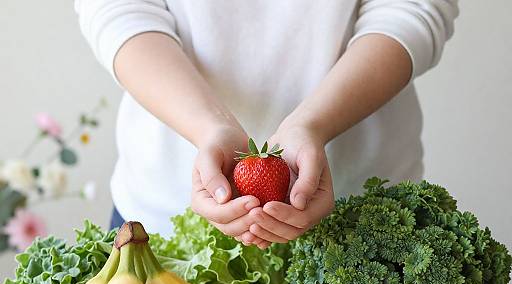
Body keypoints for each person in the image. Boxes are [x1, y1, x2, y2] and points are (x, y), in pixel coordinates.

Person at [75, 0, 458, 249]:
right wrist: (209, 128)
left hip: (362, 216)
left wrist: (313, 125)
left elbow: (412, 8)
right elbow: (117, 8)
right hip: (162, 214)